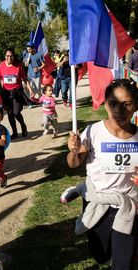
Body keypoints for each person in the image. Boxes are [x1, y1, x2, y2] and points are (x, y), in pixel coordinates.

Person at [62, 79, 138, 269]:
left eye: (126, 104)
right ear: (105, 104)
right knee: (100, 253)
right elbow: (74, 164)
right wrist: (73, 151)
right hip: (99, 203)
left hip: (129, 206)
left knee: (124, 262)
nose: (119, 111)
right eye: (113, 104)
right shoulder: (93, 132)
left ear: (135, 106)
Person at [0, 48, 34, 140]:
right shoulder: (1, 66)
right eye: (7, 56)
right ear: (5, 56)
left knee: (16, 113)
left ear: (13, 56)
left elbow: (24, 79)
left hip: (17, 92)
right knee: (10, 113)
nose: (9, 58)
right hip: (6, 93)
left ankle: (23, 126)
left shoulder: (18, 66)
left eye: (11, 56)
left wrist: (30, 90)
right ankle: (15, 132)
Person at [23, 42, 45, 108]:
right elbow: (25, 65)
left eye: (29, 49)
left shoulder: (39, 54)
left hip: (37, 75)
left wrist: (38, 68)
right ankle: (30, 103)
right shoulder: (27, 55)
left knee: (38, 89)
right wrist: (27, 61)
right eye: (27, 49)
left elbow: (44, 64)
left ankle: (42, 99)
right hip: (29, 75)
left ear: (33, 48)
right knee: (30, 89)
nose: (28, 50)